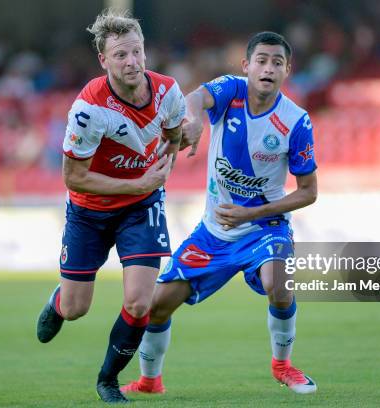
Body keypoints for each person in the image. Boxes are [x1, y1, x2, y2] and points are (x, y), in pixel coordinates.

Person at [122, 31, 318, 396]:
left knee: (279, 284)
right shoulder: (231, 90)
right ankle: (150, 381)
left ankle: (283, 364)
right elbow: (195, 97)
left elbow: (308, 193)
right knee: (156, 306)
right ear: (247, 66)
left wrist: (252, 214)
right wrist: (193, 119)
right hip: (214, 232)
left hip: (264, 226)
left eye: (277, 62)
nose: (268, 68)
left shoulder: (296, 122)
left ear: (287, 70)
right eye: (261, 60)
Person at [35, 9, 185, 404]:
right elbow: (73, 177)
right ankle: (58, 302)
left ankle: (108, 379)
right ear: (104, 61)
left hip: (141, 206)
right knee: (76, 307)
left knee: (140, 301)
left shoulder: (168, 91)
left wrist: (178, 145)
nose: (132, 62)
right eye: (120, 55)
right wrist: (138, 180)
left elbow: (174, 133)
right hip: (89, 211)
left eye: (136, 51)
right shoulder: (88, 108)